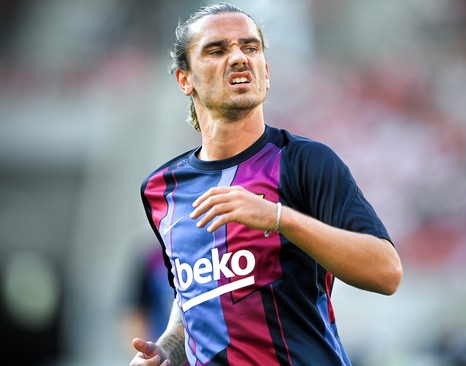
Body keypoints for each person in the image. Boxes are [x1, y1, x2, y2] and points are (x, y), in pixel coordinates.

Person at [130, 2, 403, 365]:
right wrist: (166, 349)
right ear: (185, 79)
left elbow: (387, 272)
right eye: (217, 50)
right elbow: (193, 300)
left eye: (250, 47)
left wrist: (279, 217)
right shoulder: (161, 189)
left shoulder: (304, 161)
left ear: (266, 71)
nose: (239, 58)